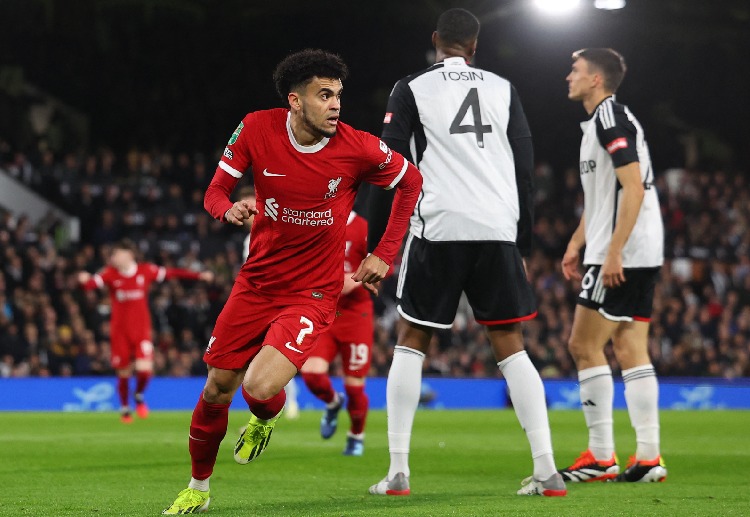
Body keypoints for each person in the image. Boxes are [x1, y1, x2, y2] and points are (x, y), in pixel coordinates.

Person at [162, 49, 422, 514]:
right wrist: (227, 210)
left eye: (338, 94)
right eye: (324, 95)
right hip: (256, 283)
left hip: (313, 292)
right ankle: (197, 489)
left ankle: (266, 414)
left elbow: (411, 180)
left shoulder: (357, 147)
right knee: (216, 387)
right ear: (295, 101)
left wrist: (385, 253)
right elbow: (215, 191)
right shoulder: (256, 128)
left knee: (258, 387)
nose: (335, 104)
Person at [366, 8, 566, 497]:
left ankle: (398, 472)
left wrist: (376, 246)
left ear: (436, 39)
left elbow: (387, 164)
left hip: (439, 224)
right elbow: (525, 169)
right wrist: (522, 241)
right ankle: (547, 470)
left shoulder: (410, 88)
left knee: (412, 338)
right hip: (497, 227)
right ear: (475, 47)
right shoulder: (503, 88)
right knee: (511, 345)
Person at [558, 48, 667, 483]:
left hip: (623, 252)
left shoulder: (609, 118)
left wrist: (614, 251)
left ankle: (601, 456)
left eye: (575, 70)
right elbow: (604, 198)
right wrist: (576, 242)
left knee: (582, 345)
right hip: (637, 249)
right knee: (629, 347)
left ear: (596, 80)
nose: (569, 77)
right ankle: (649, 458)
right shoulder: (599, 123)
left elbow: (633, 188)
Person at [77, 239, 214, 423]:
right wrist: (84, 280)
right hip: (120, 332)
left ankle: (139, 395)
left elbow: (172, 273)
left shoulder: (145, 271)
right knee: (124, 372)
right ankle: (125, 409)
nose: (113, 258)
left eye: (116, 254)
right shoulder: (110, 274)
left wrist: (199, 275)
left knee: (145, 370)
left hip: (141, 331)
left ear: (129, 255)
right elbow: (90, 285)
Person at [300, 209, 374, 456]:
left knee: (354, 385)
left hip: (356, 316)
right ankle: (333, 402)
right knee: (311, 374)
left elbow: (382, 266)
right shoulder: (316, 222)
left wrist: (357, 278)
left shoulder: (363, 227)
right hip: (324, 312)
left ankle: (356, 436)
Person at [238, 186, 300, 420]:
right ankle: (273, 408)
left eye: (253, 205)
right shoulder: (249, 240)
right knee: (260, 358)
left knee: (275, 354)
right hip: (259, 304)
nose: (250, 212)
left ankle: (288, 402)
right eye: (246, 206)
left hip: (283, 303)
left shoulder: (279, 230)